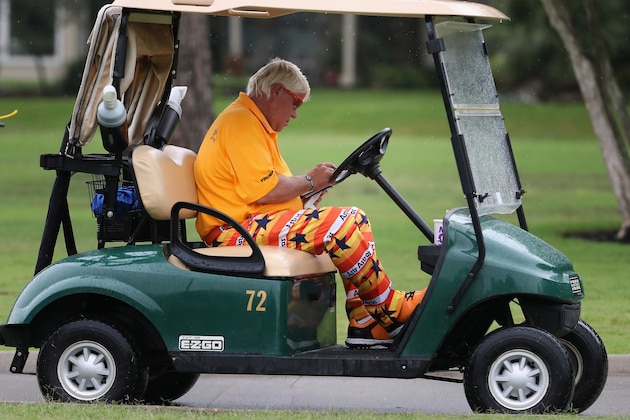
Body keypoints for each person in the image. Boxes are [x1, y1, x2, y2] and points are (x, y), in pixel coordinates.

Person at [194, 58, 426, 348]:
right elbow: (263, 191)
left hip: (249, 224)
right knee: (341, 225)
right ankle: (392, 311)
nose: (295, 114)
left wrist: (306, 194)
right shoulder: (241, 123)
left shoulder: (253, 123)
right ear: (276, 91)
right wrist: (312, 181)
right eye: (295, 103)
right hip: (235, 232)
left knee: (356, 219)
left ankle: (364, 322)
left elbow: (263, 191)